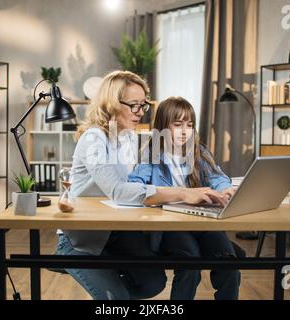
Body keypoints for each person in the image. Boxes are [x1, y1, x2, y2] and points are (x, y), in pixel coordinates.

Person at [55, 71, 227, 300]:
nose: (139, 112)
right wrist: (183, 193)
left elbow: (136, 183)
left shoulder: (126, 137)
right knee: (116, 300)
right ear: (111, 103)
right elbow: (118, 191)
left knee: (153, 284)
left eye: (142, 105)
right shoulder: (93, 138)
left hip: (115, 235)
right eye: (133, 105)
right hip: (84, 241)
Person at [128, 96, 241, 300]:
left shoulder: (199, 152)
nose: (184, 131)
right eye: (177, 124)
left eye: (189, 125)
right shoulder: (151, 156)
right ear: (162, 126)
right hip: (171, 227)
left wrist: (225, 191)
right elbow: (134, 186)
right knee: (190, 267)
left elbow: (218, 177)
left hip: (202, 221)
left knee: (229, 264)